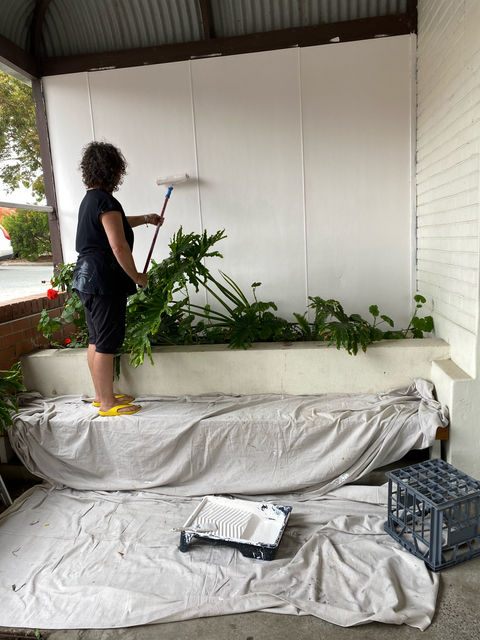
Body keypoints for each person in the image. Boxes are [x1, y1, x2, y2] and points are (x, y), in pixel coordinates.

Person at [72, 141, 162, 416]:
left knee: (96, 339)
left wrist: (146, 218)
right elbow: (118, 246)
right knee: (106, 342)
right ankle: (108, 404)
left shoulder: (91, 200)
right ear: (114, 171)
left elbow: (116, 222)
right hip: (104, 280)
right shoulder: (106, 201)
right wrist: (137, 276)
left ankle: (101, 396)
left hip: (86, 278)